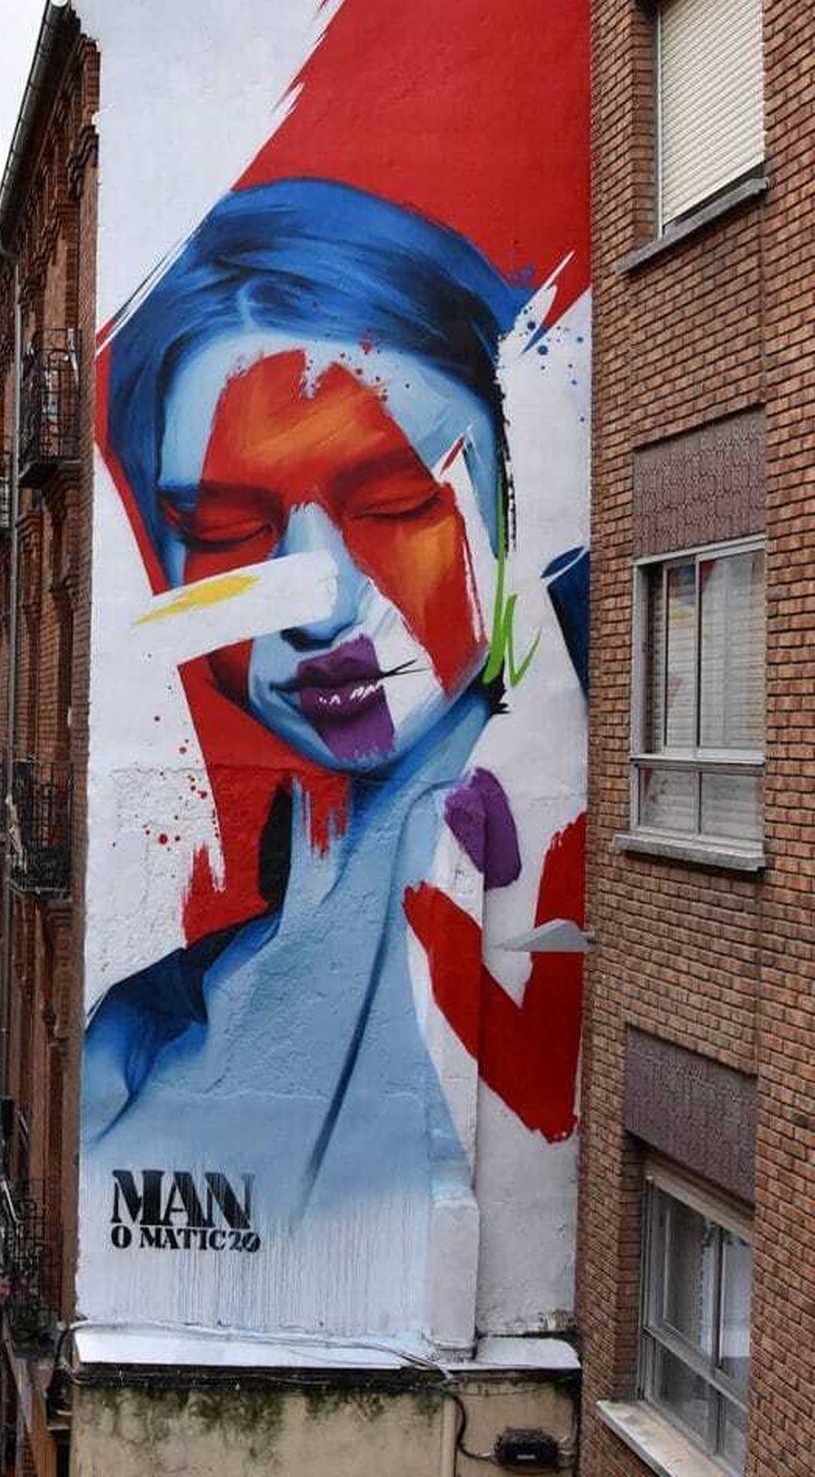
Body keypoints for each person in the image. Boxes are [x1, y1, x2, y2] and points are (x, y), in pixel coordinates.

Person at [81, 177, 593, 1329]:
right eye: (223, 532)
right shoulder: (129, 1044)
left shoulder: (544, 908)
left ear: (520, 495)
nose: (315, 602)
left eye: (396, 502)